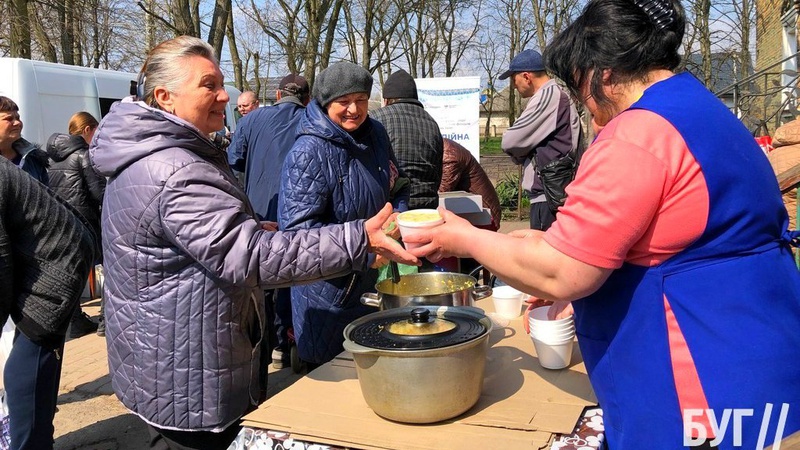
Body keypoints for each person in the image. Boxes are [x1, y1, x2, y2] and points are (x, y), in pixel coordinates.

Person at [405, 0, 800, 448]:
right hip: (766, 353)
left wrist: (461, 236)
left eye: (581, 89)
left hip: (698, 383)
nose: (586, 109)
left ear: (603, 72)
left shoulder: (638, 135)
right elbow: (676, 238)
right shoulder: (707, 112)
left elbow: (563, 269)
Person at [89, 36, 417, 449]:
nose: (225, 95)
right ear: (164, 97)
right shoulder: (174, 169)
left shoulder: (169, 154)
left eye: (221, 82)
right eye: (209, 85)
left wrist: (253, 227)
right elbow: (250, 258)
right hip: (190, 369)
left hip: (173, 353)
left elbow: (204, 242)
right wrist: (357, 239)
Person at [279, 61, 409, 370]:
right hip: (327, 294)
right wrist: (364, 250)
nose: (354, 109)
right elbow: (297, 238)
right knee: (333, 381)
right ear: (326, 103)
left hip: (370, 285)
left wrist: (399, 216)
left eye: (361, 100)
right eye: (344, 101)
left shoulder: (376, 134)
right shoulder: (308, 152)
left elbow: (398, 183)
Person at [0, 156, 96, 450]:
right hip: (43, 255)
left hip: (57, 261)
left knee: (28, 361)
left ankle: (32, 442)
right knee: (32, 362)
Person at [228, 73, 310, 369]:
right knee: (296, 274)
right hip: (299, 213)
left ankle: (266, 345)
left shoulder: (251, 121)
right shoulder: (313, 119)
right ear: (308, 99)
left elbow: (233, 160)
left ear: (277, 95)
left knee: (260, 279)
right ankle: (290, 341)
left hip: (259, 213)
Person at [500, 49, 583, 230]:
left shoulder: (549, 95)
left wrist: (521, 152)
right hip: (550, 194)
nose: (514, 85)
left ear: (526, 76)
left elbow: (509, 141)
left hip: (550, 196)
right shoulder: (551, 95)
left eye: (514, 79)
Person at [45, 111, 106, 338]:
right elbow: (99, 193)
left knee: (71, 272)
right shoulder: (84, 155)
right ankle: (106, 321)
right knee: (106, 266)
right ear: (88, 130)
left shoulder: (50, 157)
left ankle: (76, 323)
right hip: (87, 221)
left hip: (61, 222)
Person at [371, 69, 443, 209]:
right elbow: (438, 172)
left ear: (386, 100)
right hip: (427, 209)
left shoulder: (375, 118)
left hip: (390, 209)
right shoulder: (432, 123)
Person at [439, 138, 502, 231]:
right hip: (471, 214)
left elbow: (442, 192)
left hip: (482, 216)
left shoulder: (450, 155)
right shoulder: (445, 149)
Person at [0, 96, 49, 184]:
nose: (18, 123)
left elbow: (47, 195)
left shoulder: (33, 160)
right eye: (9, 119)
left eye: (18, 118)